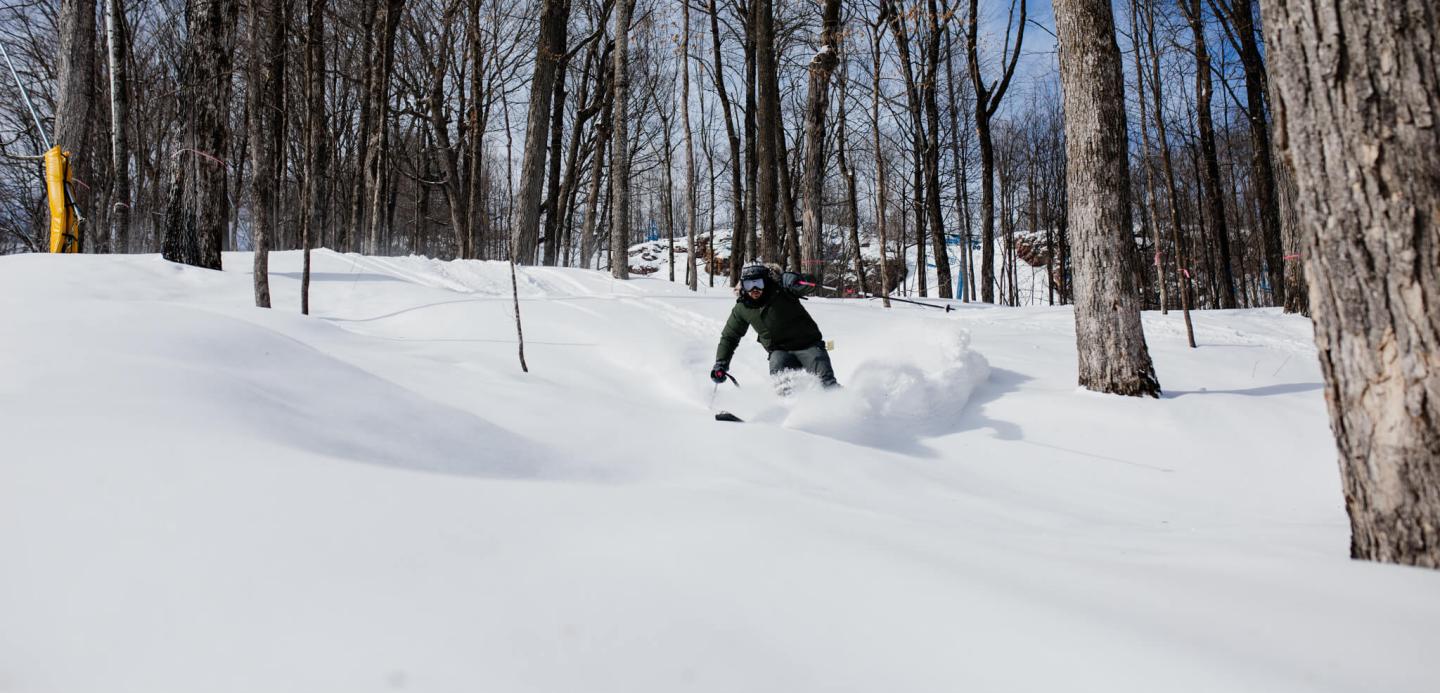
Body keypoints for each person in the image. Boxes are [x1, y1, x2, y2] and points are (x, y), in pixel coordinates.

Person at [710, 262, 839, 389]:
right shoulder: (742, 307)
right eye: (749, 285)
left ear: (765, 282)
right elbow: (730, 337)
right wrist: (721, 363)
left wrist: (796, 278)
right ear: (743, 285)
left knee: (826, 383)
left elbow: (810, 284)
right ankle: (792, 405)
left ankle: (847, 404)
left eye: (758, 283)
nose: (754, 289)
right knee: (782, 382)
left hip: (808, 345)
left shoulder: (782, 289)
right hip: (780, 351)